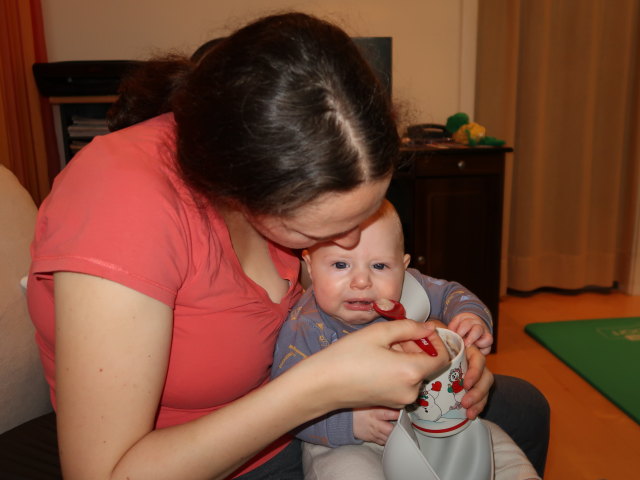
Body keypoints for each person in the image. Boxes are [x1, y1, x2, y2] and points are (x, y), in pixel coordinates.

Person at [27, 12, 494, 480]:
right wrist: (321, 387)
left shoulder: (263, 184)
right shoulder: (120, 201)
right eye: (323, 231)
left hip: (303, 426)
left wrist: (445, 362)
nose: (351, 240)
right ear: (240, 184)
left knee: (523, 407)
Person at [272, 200, 541, 480]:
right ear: (310, 266)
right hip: (346, 440)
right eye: (341, 264)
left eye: (379, 265)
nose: (362, 280)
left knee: (505, 460)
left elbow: (452, 293)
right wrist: (348, 423)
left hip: (433, 419)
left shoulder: (411, 288)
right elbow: (284, 410)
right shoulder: (302, 328)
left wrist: (471, 318)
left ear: (403, 267)